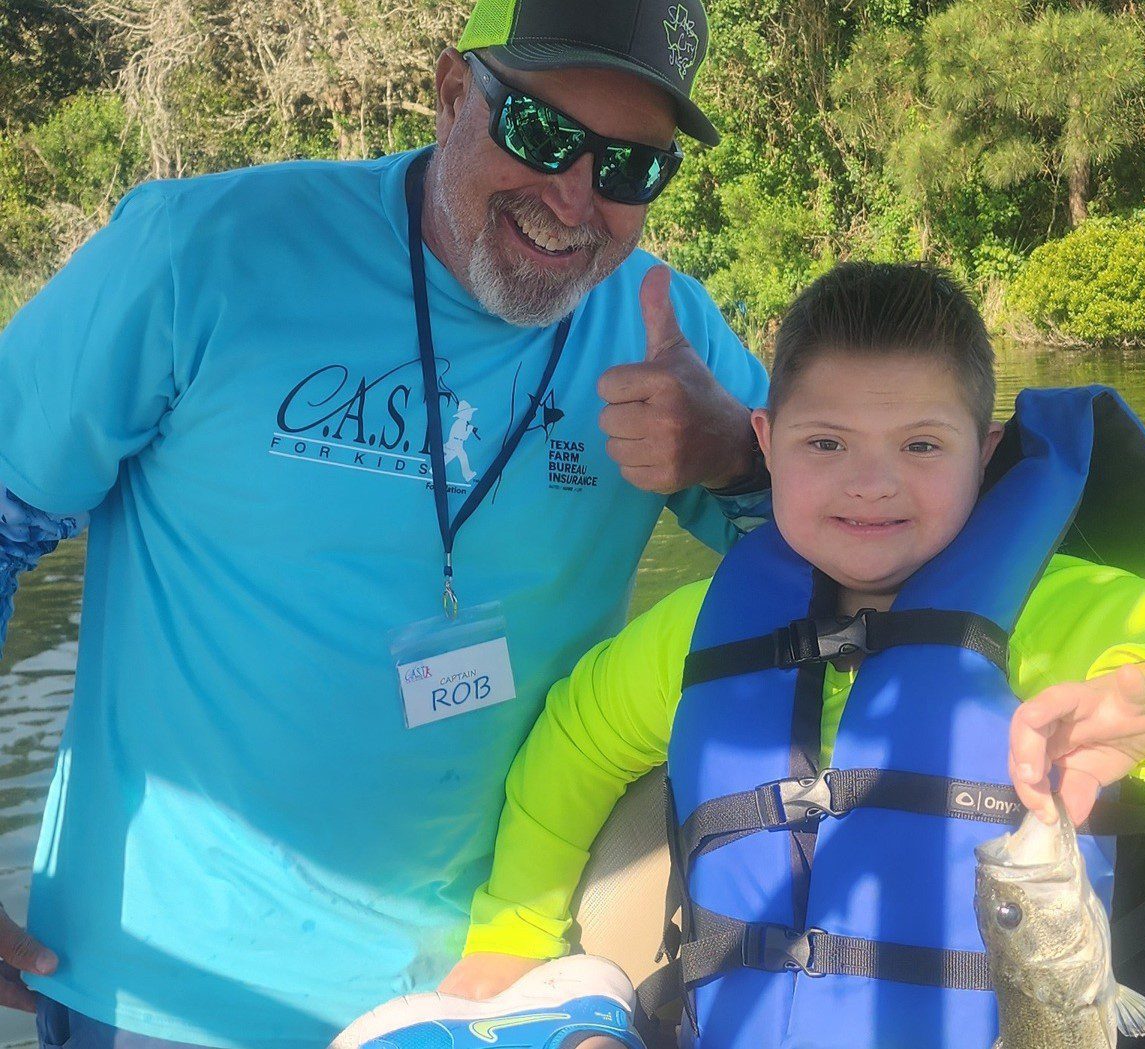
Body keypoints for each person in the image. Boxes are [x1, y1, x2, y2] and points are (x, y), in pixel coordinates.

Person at [0, 0, 773, 1045]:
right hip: (169, 985)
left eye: (631, 167)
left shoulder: (664, 331)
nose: (573, 195)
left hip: (498, 984)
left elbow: (842, 576)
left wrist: (737, 460)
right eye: (540, 132)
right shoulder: (201, 252)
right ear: (452, 91)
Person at [439, 263, 1145, 1048]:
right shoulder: (696, 632)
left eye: (921, 446)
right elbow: (573, 745)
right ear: (764, 443)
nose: (871, 483)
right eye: (825, 442)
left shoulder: (1060, 619)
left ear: (985, 453)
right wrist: (511, 932)